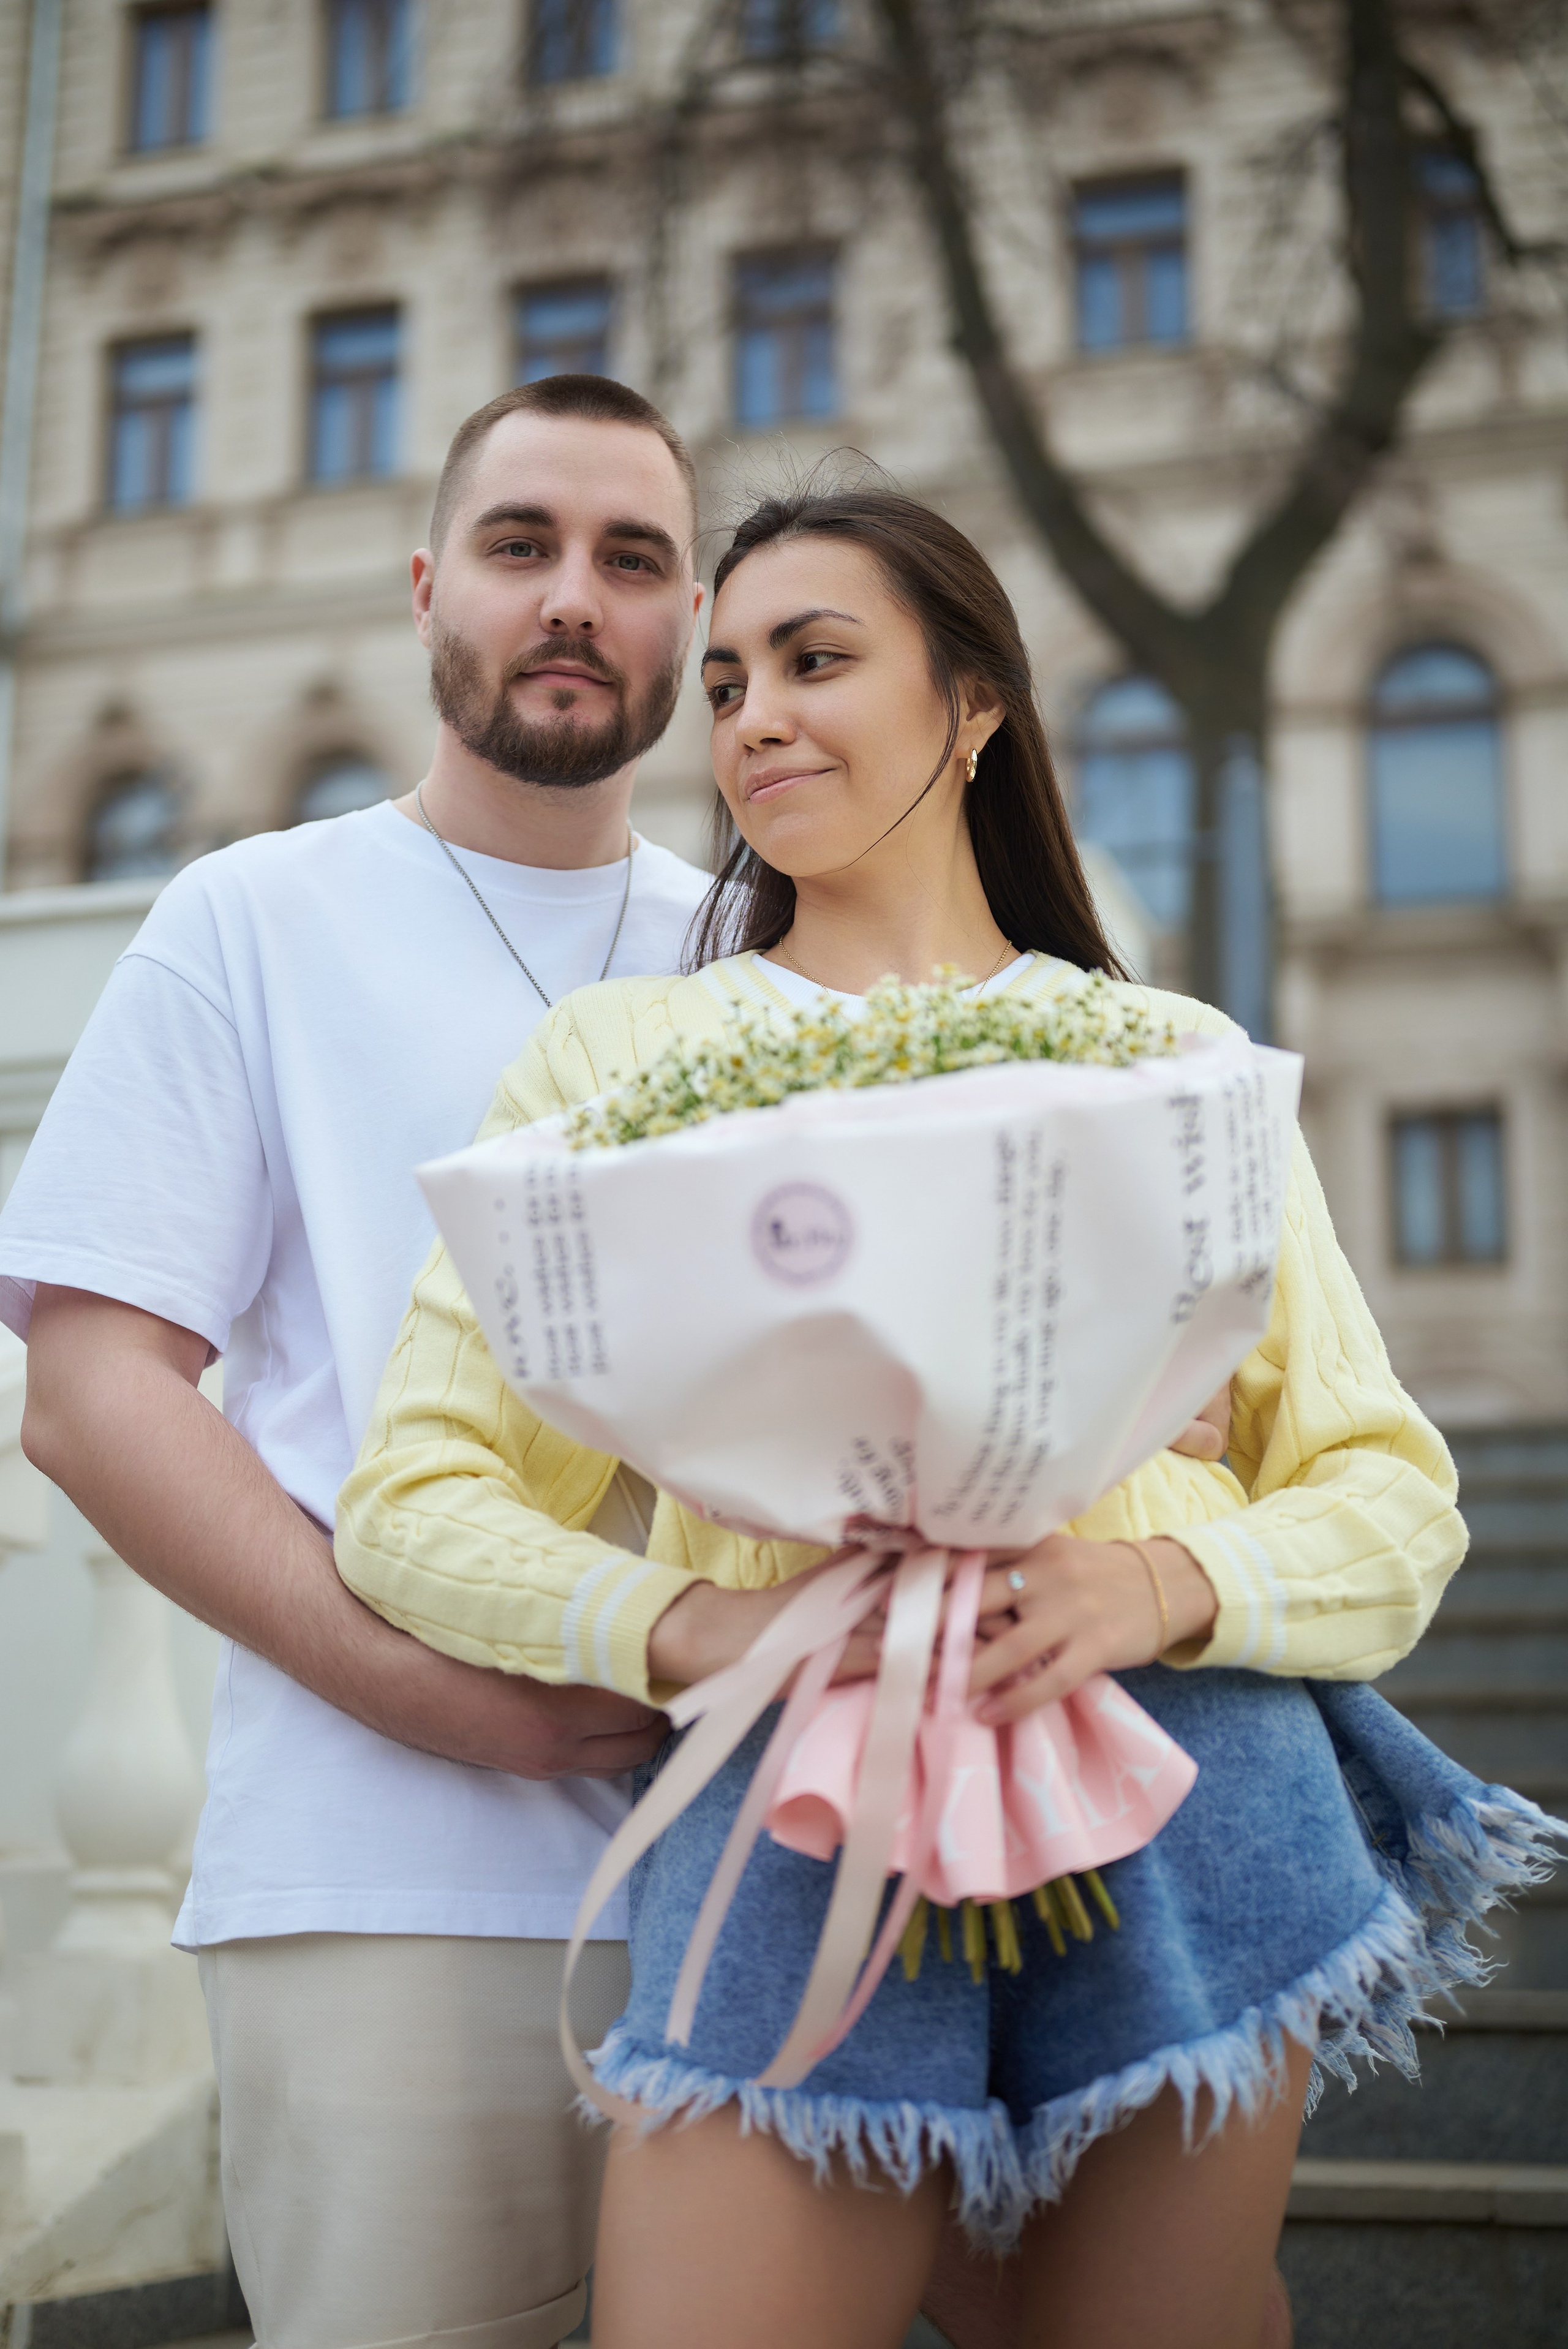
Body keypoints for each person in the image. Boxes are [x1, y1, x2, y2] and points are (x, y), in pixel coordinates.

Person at [336, 484, 1552, 2349]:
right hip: (790, 1794)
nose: (752, 717)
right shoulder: (616, 1065)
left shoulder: (1170, 1058)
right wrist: (693, 1623)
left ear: (975, 703)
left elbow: (1390, 1490)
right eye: (728, 677)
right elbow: (415, 1492)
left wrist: (1148, 1585)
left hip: (1190, 1775)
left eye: (817, 662)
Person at [4, 375, 716, 2349]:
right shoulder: (253, 917)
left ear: (689, 624)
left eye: (632, 558)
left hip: (758, 1867)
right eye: (522, 545)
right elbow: (91, 1387)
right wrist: (427, 1690)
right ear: (430, 592)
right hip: (382, 1877)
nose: (573, 596)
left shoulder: (779, 948)